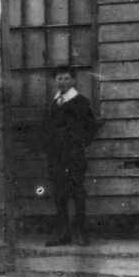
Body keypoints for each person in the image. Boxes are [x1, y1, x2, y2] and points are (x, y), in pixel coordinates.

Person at [44, 65, 98, 246]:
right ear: (55, 81)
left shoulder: (81, 102)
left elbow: (90, 128)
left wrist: (78, 143)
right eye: (59, 78)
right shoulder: (53, 102)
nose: (63, 82)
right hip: (56, 157)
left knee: (77, 193)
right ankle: (63, 233)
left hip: (74, 156)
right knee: (59, 194)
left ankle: (80, 232)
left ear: (73, 80)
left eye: (67, 78)